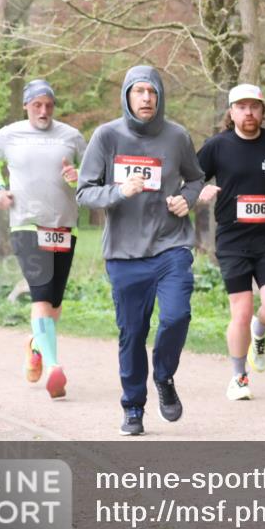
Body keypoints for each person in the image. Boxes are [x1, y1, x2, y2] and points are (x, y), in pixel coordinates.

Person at [77, 66, 205, 436]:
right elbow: (84, 192)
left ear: (160, 96)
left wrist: (187, 198)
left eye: (152, 91)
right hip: (124, 253)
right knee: (132, 333)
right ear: (127, 96)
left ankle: (163, 375)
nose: (146, 98)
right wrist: (119, 191)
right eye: (139, 91)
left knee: (176, 316)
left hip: (171, 245)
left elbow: (196, 178)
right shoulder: (106, 136)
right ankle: (133, 407)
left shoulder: (177, 136)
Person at [0, 79, 86, 399]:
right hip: (26, 224)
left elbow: (94, 173)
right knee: (41, 295)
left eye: (49, 105)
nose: (43, 111)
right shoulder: (8, 135)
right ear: (26, 105)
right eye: (37, 105)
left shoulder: (72, 137)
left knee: (54, 302)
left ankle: (35, 344)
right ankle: (55, 367)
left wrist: (77, 177)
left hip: (65, 226)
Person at [197, 84, 265, 401]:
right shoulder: (216, 146)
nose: (248, 112)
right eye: (241, 106)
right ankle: (239, 377)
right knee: (239, 312)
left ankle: (260, 330)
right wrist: (200, 192)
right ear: (231, 112)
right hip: (232, 240)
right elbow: (191, 179)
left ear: (263, 110)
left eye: (254, 106)